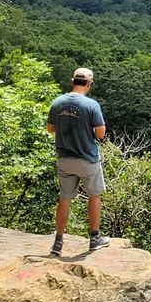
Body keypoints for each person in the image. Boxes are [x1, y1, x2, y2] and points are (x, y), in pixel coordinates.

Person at [46, 67, 111, 255]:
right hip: (87, 159)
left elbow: (51, 128)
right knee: (94, 195)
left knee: (65, 198)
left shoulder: (58, 102)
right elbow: (101, 133)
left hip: (65, 158)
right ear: (90, 84)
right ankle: (95, 238)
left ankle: (58, 242)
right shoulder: (91, 105)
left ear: (72, 81)